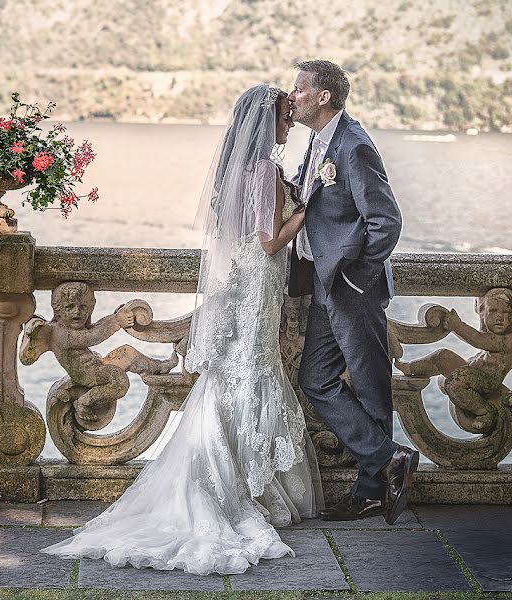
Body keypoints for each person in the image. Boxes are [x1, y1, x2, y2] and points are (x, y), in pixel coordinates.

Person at [41, 84, 323, 575]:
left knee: (239, 376)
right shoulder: (262, 172)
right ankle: (235, 489)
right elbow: (270, 242)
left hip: (249, 285)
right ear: (264, 124)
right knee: (251, 371)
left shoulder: (244, 173)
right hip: (257, 286)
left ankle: (235, 480)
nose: (289, 124)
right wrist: (307, 208)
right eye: (283, 117)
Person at [287, 59, 418, 524]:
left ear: (323, 97)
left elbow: (386, 221)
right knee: (316, 379)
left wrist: (354, 278)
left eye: (299, 88)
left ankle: (371, 490)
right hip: (324, 285)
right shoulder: (319, 142)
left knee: (370, 387)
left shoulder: (354, 146)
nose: (292, 95)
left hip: (350, 288)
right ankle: (387, 460)